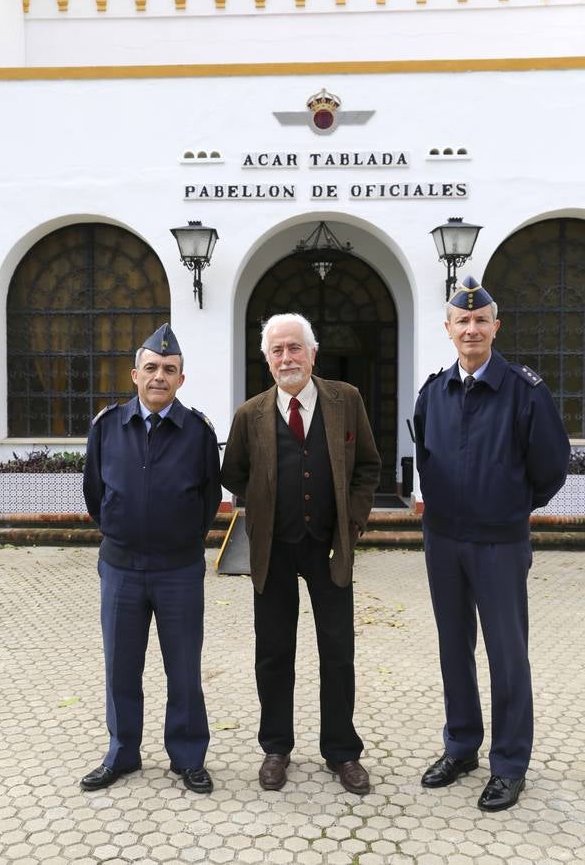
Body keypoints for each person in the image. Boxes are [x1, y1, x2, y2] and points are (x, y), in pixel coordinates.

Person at [413, 276, 570, 812]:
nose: (472, 328)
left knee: (507, 656)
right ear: (449, 329)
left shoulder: (525, 391)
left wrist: (508, 505)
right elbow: (427, 456)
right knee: (454, 650)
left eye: (482, 321)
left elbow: (551, 467)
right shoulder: (433, 392)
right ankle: (461, 747)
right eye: (463, 321)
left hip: (500, 544)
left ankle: (509, 764)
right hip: (444, 542)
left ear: (496, 327)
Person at [221, 313, 381, 794]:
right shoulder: (251, 414)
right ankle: (276, 748)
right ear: (266, 359)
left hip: (329, 549)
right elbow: (234, 474)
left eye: (295, 348)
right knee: (272, 653)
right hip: (274, 549)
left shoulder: (345, 401)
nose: (286, 358)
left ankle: (342, 751)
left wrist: (350, 523)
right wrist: (268, 500)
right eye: (277, 350)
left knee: (338, 653)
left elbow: (368, 466)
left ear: (312, 353)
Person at [81, 323, 221, 793]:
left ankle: (187, 756)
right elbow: (95, 495)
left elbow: (207, 498)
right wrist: (125, 530)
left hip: (178, 570)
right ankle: (122, 753)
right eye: (152, 368)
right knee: (121, 665)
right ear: (134, 374)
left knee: (183, 667)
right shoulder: (107, 427)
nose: (159, 376)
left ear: (181, 379)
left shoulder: (198, 431)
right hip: (120, 567)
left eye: (170, 369)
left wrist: (178, 539)